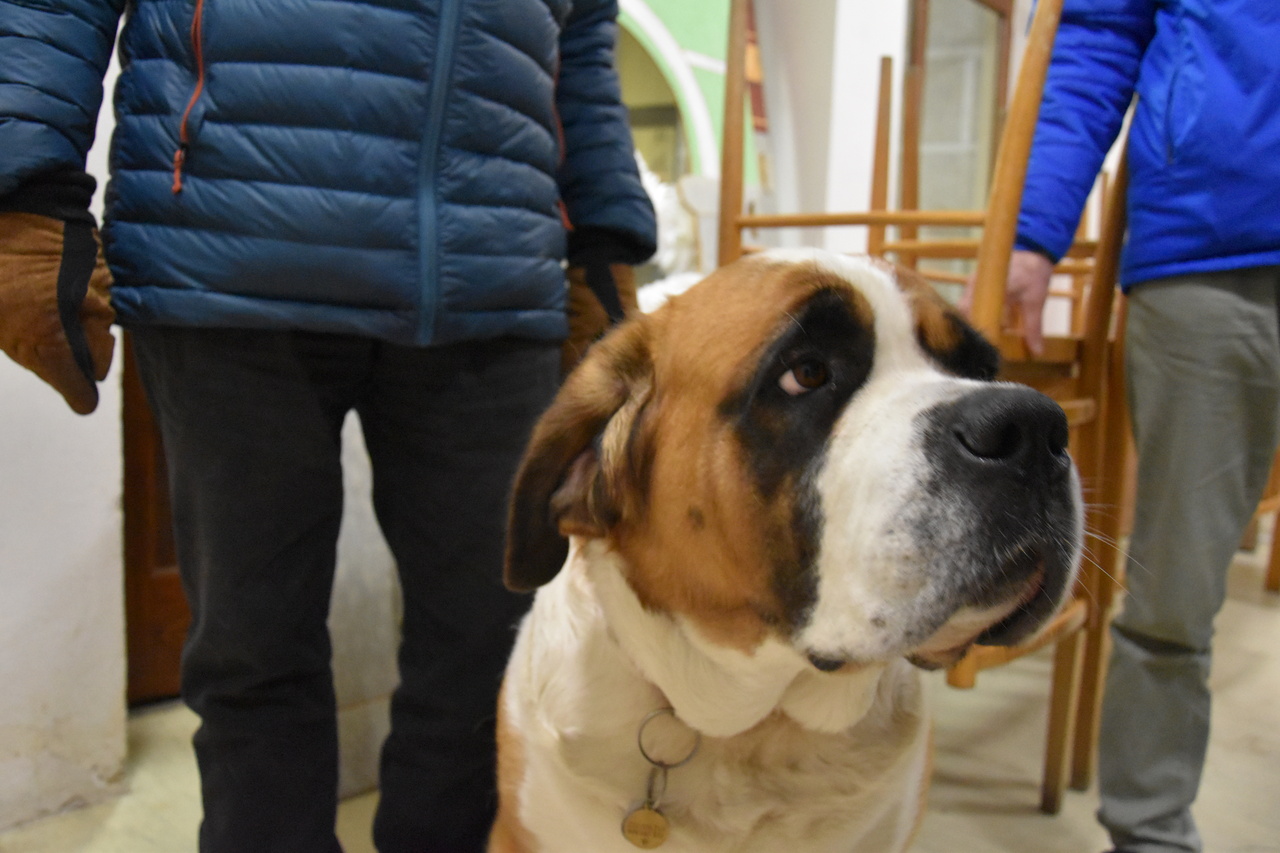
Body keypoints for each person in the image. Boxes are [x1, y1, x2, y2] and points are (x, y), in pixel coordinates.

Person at [0, 1, 655, 851]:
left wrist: (603, 233)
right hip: (230, 241)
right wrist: (26, 187)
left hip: (490, 263)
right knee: (254, 653)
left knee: (491, 646)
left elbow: (583, 36)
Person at [994, 2, 1280, 851]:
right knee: (1173, 595)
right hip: (1211, 248)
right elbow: (1098, 34)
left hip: (1207, 248)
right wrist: (1035, 228)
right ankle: (1151, 834)